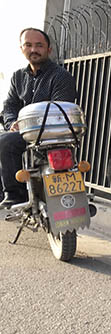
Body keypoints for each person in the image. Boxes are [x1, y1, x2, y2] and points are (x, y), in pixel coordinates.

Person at [0, 27, 77, 208]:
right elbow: (9, 106)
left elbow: (60, 108)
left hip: (52, 135)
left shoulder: (61, 76)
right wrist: (12, 123)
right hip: (26, 134)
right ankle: (13, 192)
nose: (34, 49)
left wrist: (29, 125)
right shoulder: (18, 77)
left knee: (5, 141)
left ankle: (16, 194)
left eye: (39, 45)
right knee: (5, 138)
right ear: (21, 48)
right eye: (28, 45)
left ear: (49, 49)